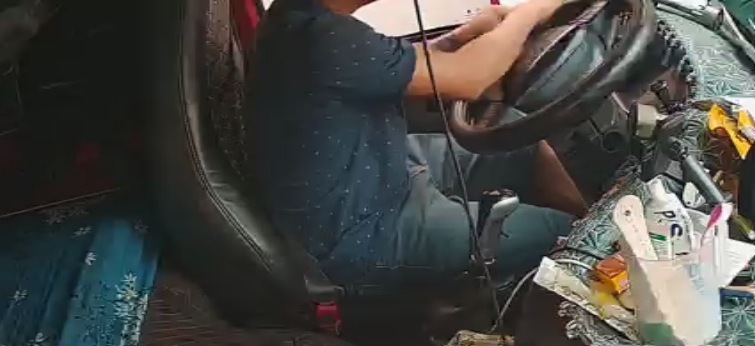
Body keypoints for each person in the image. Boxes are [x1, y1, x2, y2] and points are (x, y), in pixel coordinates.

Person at [246, 0, 589, 297]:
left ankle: (591, 229)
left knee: (524, 146)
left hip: (383, 169)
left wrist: (468, 35)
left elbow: (413, 65)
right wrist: (534, 11)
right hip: (363, 232)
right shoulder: (322, 38)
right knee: (568, 235)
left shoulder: (300, 19)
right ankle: (581, 259)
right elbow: (471, 78)